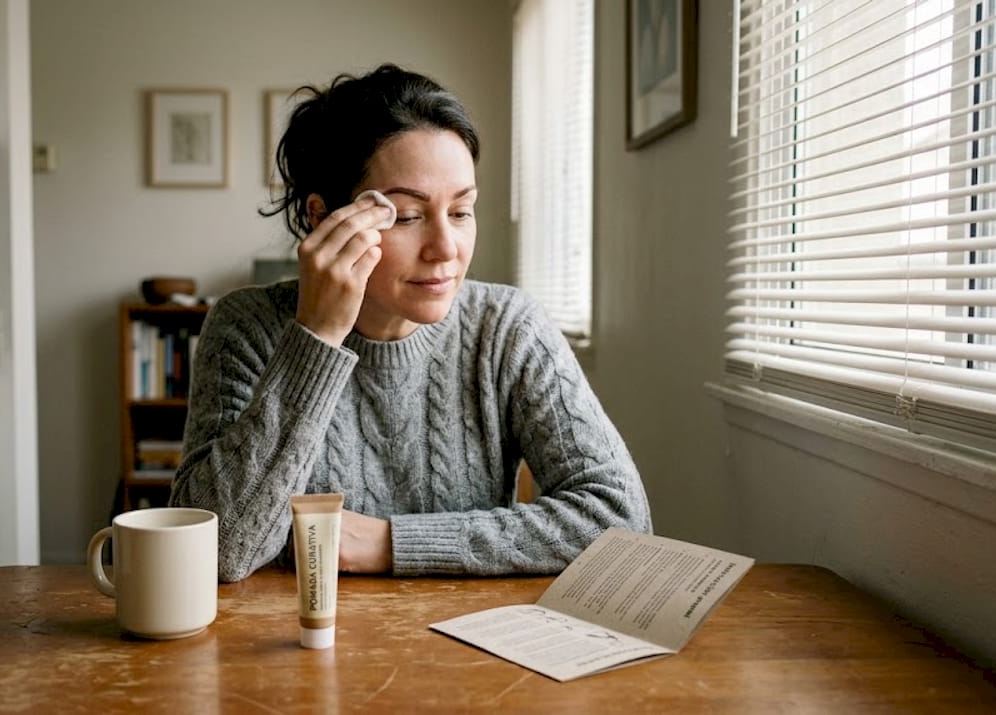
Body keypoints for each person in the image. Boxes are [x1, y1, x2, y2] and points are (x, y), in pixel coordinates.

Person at [170, 63, 650, 583]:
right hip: (297, 647)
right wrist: (315, 339)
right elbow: (217, 550)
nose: (446, 249)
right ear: (322, 217)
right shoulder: (246, 326)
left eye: (462, 212)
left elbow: (621, 521)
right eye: (406, 216)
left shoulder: (508, 327)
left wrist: (387, 543)